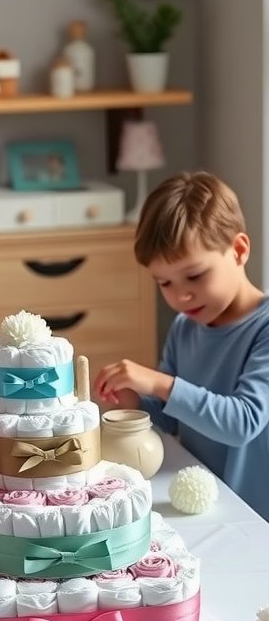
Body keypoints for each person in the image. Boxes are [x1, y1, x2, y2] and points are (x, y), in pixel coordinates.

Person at [94, 170, 269, 519]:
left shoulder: (263, 328)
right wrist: (132, 399)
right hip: (198, 501)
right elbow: (171, 417)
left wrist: (157, 382)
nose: (180, 295)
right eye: (164, 283)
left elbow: (242, 422)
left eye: (194, 275)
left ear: (238, 250)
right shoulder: (184, 327)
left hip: (252, 513)